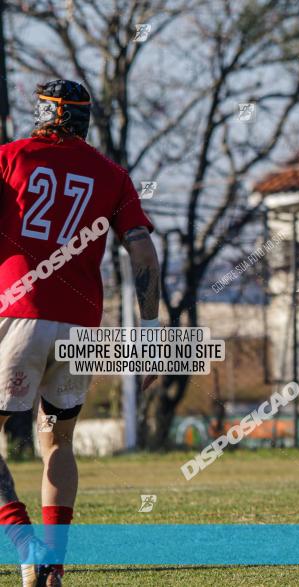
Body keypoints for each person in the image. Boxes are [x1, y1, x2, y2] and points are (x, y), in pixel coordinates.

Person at [0, 80, 159, 585]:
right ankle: (53, 565)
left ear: (42, 114)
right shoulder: (113, 175)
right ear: (86, 119)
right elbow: (143, 252)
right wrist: (151, 335)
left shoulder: (9, 157)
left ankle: (23, 542)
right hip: (81, 323)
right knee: (59, 442)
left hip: (17, 311)